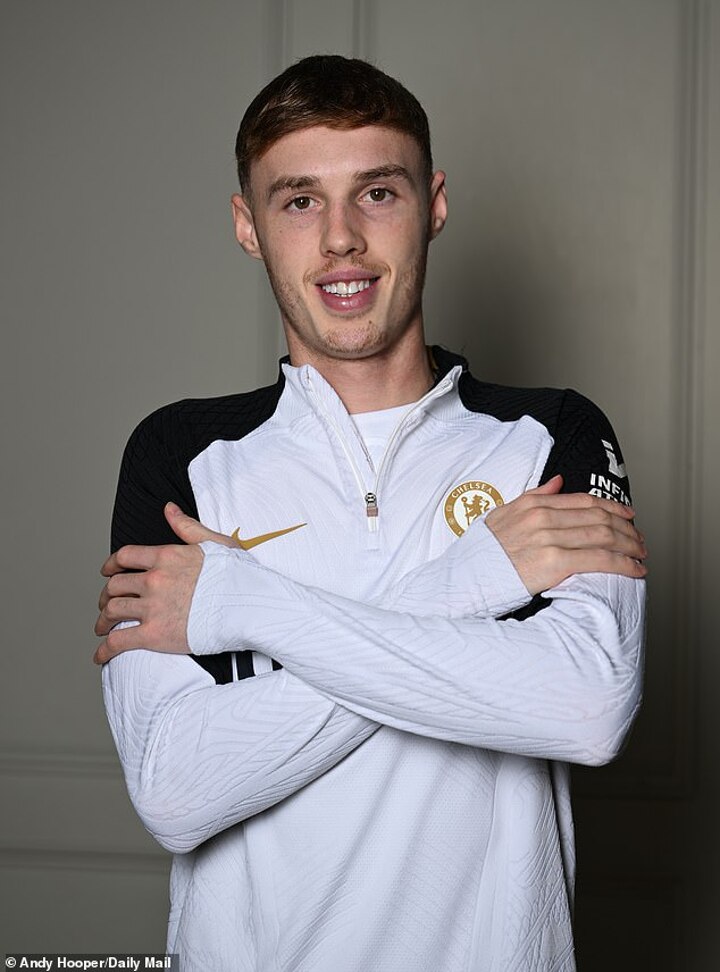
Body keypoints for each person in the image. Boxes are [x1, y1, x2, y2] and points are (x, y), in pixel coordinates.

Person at [95, 55, 646, 972]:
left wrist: (242, 603)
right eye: (299, 201)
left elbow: (586, 707)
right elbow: (176, 788)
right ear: (247, 225)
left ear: (434, 205)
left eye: (378, 193)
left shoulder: (553, 436)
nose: (341, 239)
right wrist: (477, 578)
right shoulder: (178, 457)